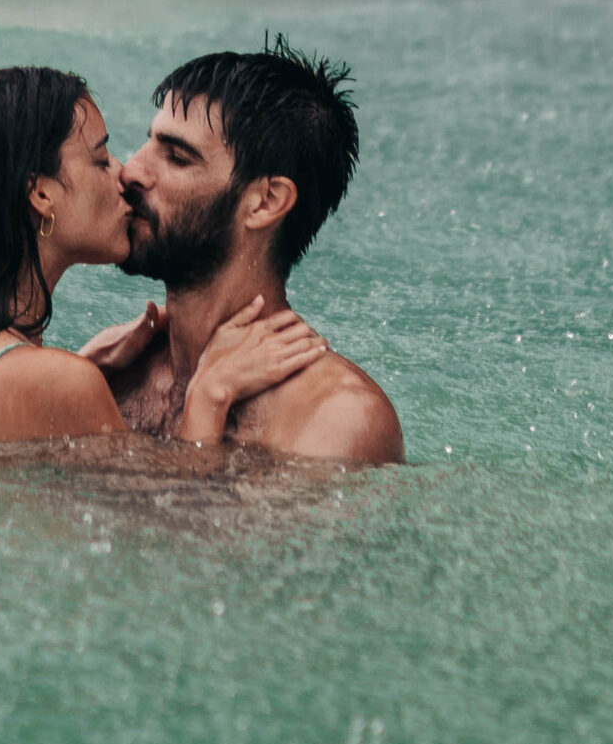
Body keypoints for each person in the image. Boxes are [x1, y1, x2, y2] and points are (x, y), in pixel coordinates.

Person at [0, 65, 329, 451]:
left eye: (176, 156)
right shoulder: (61, 382)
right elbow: (162, 529)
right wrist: (209, 394)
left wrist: (81, 368)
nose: (125, 171)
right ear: (39, 193)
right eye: (100, 159)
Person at [80, 41, 403, 464]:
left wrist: (207, 402)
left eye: (177, 157)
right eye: (149, 143)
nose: (132, 170)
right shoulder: (113, 373)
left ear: (266, 202)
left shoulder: (335, 418)